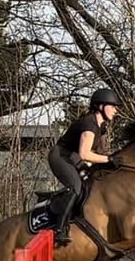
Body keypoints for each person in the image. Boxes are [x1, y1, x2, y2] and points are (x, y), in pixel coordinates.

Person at [48, 87, 121, 245]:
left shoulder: (100, 127)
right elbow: (85, 154)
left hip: (72, 157)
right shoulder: (89, 124)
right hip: (60, 156)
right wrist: (108, 160)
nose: (116, 111)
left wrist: (113, 159)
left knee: (90, 183)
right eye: (113, 106)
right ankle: (59, 229)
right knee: (75, 186)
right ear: (101, 107)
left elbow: (100, 152)